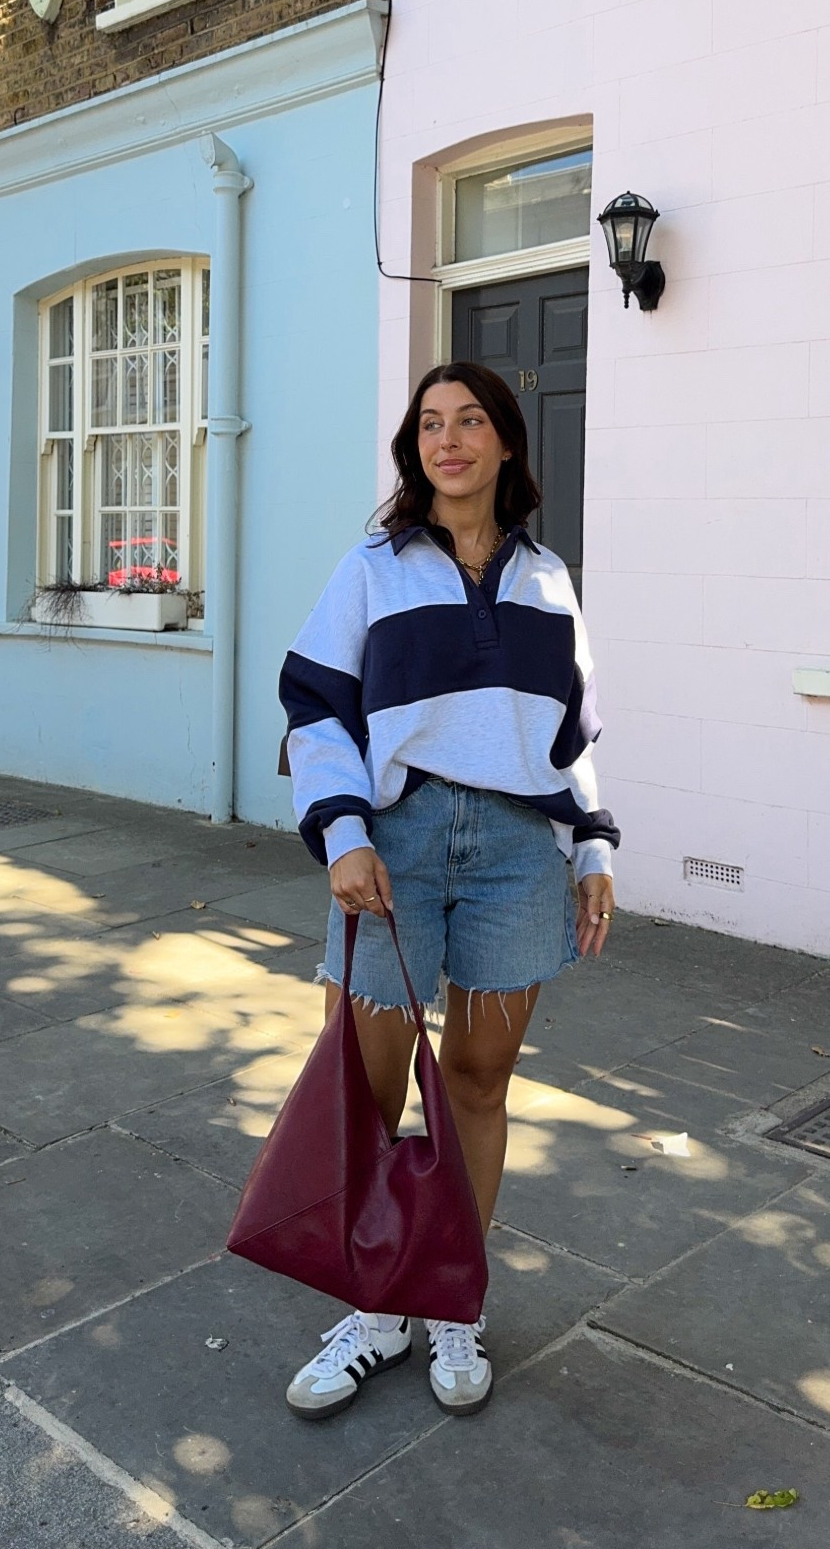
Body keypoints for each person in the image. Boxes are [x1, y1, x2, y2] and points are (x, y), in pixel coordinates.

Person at [277, 360, 618, 1420]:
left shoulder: (550, 579)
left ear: (507, 442)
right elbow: (315, 702)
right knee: (370, 1090)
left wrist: (594, 845)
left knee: (474, 1081)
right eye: (430, 422)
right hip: (400, 844)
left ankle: (451, 1293)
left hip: (521, 849)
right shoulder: (372, 567)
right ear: (413, 446)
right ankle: (375, 1304)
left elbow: (574, 733)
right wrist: (341, 829)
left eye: (471, 420)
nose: (449, 437)